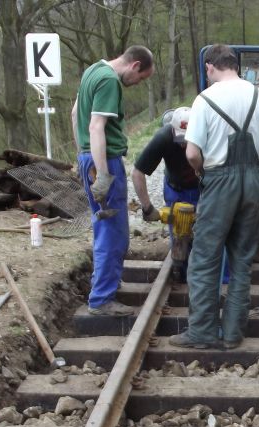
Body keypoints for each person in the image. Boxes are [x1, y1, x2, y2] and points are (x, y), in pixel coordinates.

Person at [170, 44, 259, 350]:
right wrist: (252, 154)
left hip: (219, 181)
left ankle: (202, 333)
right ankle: (233, 334)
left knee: (205, 259)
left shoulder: (205, 99)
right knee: (242, 260)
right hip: (251, 182)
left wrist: (200, 171)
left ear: (210, 67)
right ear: (235, 65)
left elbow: (193, 153)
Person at [72, 45, 154, 316]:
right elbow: (96, 126)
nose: (136, 84)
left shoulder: (93, 70)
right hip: (104, 161)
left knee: (103, 226)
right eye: (140, 78)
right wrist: (103, 172)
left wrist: (82, 154)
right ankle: (102, 299)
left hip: (90, 158)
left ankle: (105, 285)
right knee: (113, 231)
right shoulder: (109, 81)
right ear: (135, 65)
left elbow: (75, 114)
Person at [132, 107, 230, 284]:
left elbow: (223, 172)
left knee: (212, 234)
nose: (184, 145)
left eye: (188, 139)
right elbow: (138, 173)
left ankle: (219, 280)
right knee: (180, 235)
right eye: (180, 140)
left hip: (203, 187)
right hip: (175, 188)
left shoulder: (211, 136)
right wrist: (148, 208)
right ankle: (182, 275)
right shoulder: (164, 137)